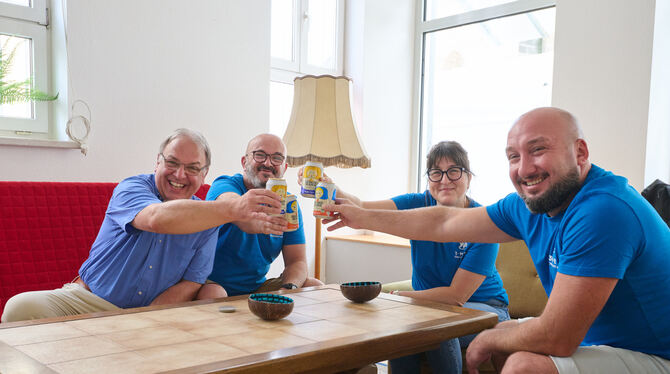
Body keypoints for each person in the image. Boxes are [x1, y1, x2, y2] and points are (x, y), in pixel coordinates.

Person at [324, 107, 670, 374]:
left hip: (654, 354)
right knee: (509, 347)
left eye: (538, 150)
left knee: (522, 364)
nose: (524, 168)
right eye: (513, 156)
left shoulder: (602, 210)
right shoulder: (528, 205)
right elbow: (445, 222)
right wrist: (362, 216)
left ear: (580, 153)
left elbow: (557, 337)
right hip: (603, 343)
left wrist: (492, 334)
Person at [1, 128, 284, 323]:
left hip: (151, 311)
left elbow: (192, 281)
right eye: (171, 163)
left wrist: (142, 320)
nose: (180, 174)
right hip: (90, 300)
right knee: (20, 308)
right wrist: (232, 208)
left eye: (192, 168)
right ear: (157, 162)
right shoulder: (132, 187)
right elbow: (155, 218)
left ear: (204, 173)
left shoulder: (208, 216)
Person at [298, 141, 510, 373]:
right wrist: (328, 186)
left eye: (454, 171)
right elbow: (362, 207)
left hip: (486, 309)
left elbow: (456, 296)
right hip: (426, 307)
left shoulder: (483, 223)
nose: (445, 180)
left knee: (439, 327)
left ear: (469, 178)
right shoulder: (417, 204)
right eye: (436, 173)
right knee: (403, 329)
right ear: (428, 180)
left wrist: (398, 298)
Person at [197, 134, 323, 298]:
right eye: (260, 155)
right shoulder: (224, 185)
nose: (268, 163)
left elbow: (297, 261)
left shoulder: (290, 204)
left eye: (277, 158)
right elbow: (237, 210)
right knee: (214, 292)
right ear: (244, 162)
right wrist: (263, 222)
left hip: (256, 288)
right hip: (212, 283)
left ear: (284, 168)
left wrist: (288, 289)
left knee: (314, 285)